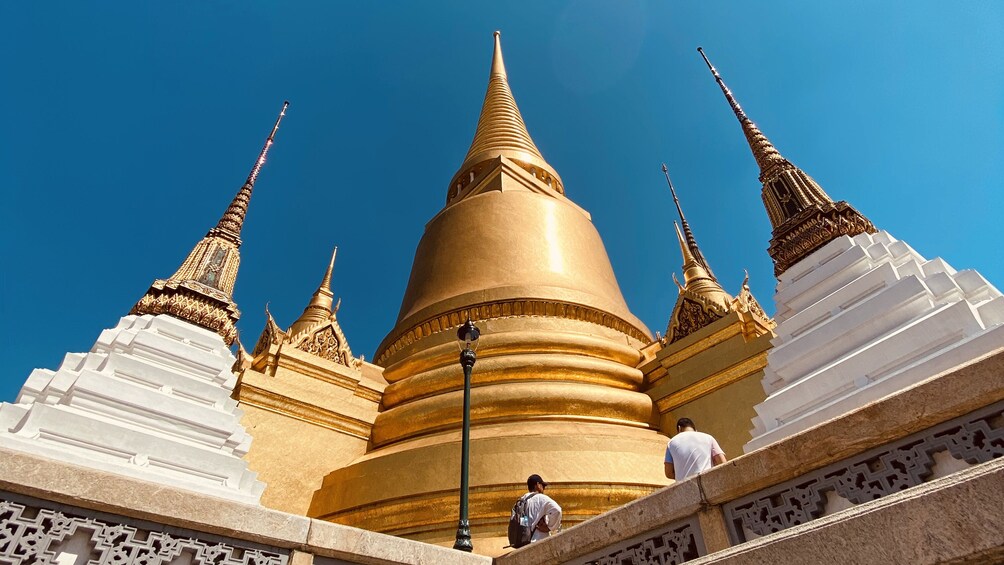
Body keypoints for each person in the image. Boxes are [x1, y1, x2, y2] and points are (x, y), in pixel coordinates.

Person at [518, 474, 562, 542]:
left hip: (525, 543)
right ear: (538, 485)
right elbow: (557, 510)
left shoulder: (522, 500)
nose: (544, 489)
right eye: (543, 486)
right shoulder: (541, 498)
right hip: (539, 541)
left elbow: (523, 521)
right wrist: (550, 527)